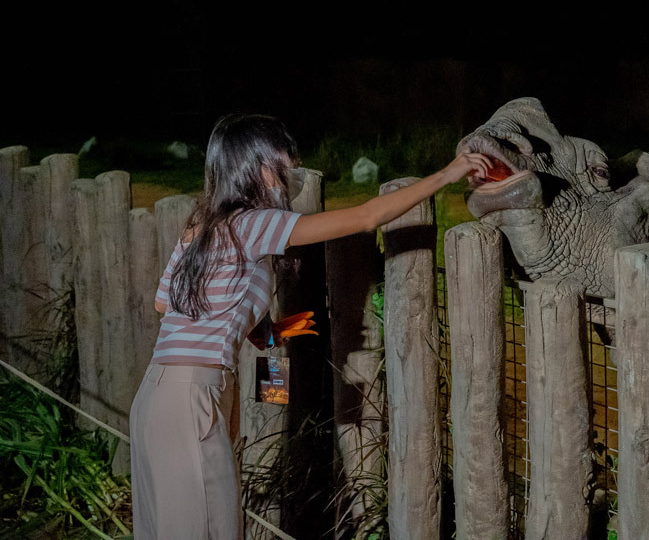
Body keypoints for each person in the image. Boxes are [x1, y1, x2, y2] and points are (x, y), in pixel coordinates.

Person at [129, 113, 491, 539]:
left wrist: (273, 331)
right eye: (285, 159)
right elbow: (366, 217)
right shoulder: (252, 222)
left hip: (156, 396)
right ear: (260, 166)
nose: (291, 168)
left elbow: (165, 304)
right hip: (193, 397)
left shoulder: (201, 226)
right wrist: (450, 172)